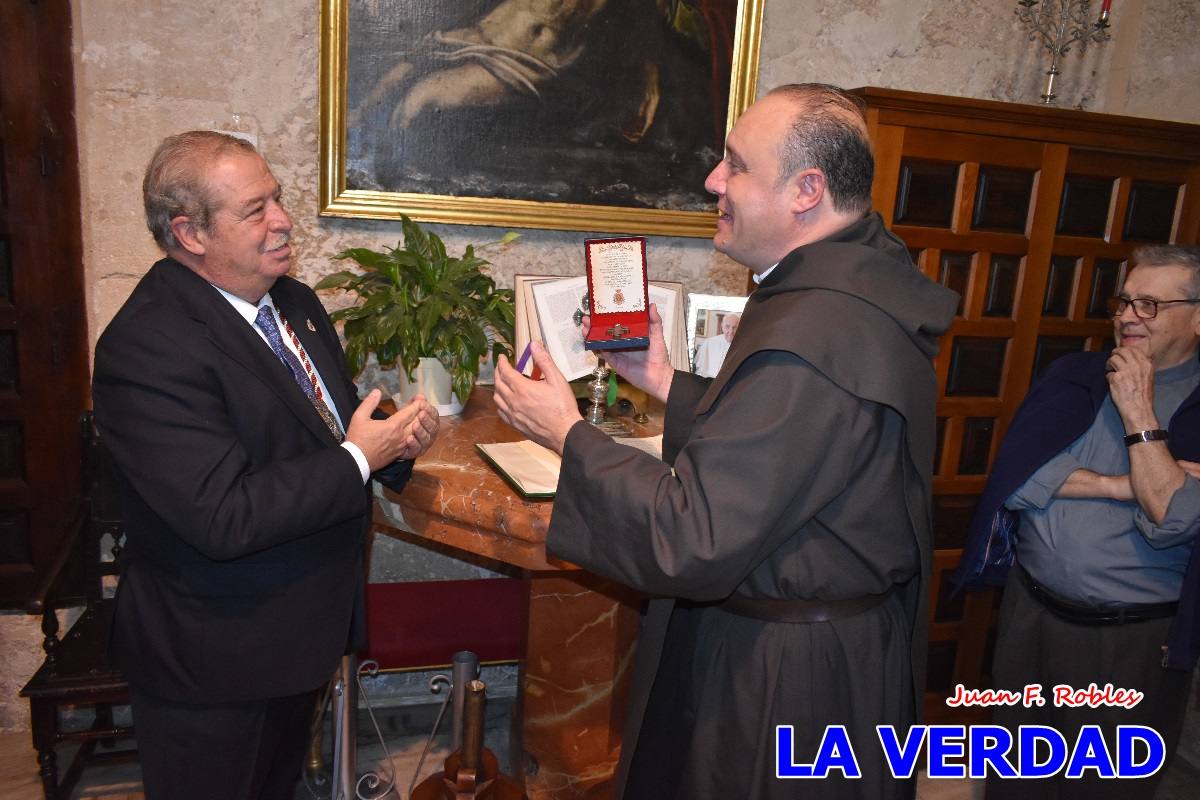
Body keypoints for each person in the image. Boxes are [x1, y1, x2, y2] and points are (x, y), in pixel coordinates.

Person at [494, 84, 958, 800]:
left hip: (785, 682)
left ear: (806, 190)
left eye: (735, 166)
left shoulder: (817, 331)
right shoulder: (843, 288)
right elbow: (783, 447)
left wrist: (567, 431)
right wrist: (662, 379)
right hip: (821, 645)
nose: (713, 180)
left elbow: (695, 533)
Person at [92, 131, 439, 800]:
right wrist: (358, 457)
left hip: (299, 639)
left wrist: (392, 446)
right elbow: (222, 516)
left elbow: (328, 428)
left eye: (276, 197)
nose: (283, 220)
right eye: (256, 210)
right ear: (191, 233)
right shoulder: (147, 347)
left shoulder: (295, 304)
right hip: (215, 662)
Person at [955, 245, 1200, 800]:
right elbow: (1015, 478)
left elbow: (1172, 520)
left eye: (1150, 304)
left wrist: (1139, 413)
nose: (1129, 315)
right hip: (1030, 615)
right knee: (1013, 776)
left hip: (1131, 643)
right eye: (1125, 301)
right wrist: (1127, 484)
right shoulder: (1074, 374)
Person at [692, 312, 739, 377]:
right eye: (727, 326)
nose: (730, 331)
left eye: (734, 328)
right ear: (722, 326)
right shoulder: (708, 343)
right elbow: (699, 370)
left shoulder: (743, 346)